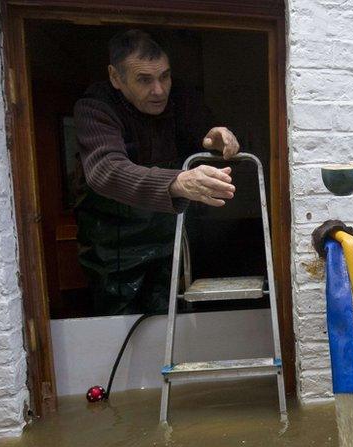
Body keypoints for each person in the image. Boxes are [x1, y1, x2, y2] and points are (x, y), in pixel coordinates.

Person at [74, 29, 241, 315]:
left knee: (178, 322)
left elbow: (211, 136)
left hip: (173, 242)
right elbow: (106, 170)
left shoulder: (181, 99)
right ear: (116, 77)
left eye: (165, 76)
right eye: (144, 79)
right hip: (115, 251)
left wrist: (217, 141)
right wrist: (176, 182)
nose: (159, 90)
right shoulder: (95, 108)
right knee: (121, 332)